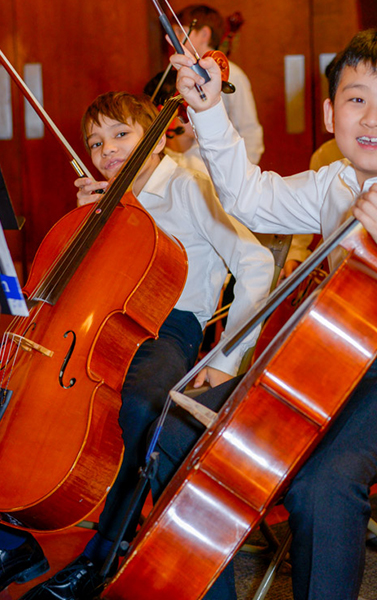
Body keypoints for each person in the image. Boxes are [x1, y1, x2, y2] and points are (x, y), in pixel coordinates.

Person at [146, 28, 377, 600]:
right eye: (357, 100)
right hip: (333, 360)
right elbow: (252, 199)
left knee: (323, 482)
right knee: (179, 430)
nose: (373, 119)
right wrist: (208, 112)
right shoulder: (337, 182)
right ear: (330, 113)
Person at [0, 91, 274, 599]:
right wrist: (85, 226)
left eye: (121, 134)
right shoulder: (105, 202)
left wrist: (227, 356)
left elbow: (257, 265)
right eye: (95, 142)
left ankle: (102, 555)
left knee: (144, 406)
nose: (106, 150)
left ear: (157, 138)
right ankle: (12, 537)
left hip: (169, 326)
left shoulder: (191, 185)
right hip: (96, 327)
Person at [175, 4, 264, 165]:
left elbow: (250, 130)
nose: (173, 39)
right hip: (192, 166)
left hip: (226, 164)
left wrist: (245, 174)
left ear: (204, 34)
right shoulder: (184, 75)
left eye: (180, 32)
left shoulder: (234, 75)